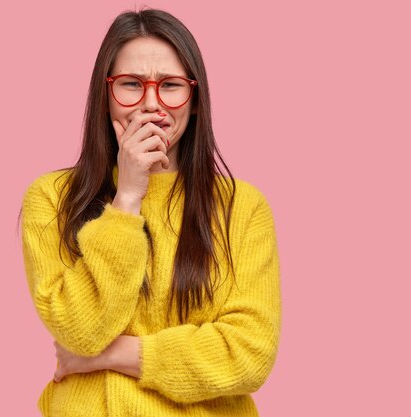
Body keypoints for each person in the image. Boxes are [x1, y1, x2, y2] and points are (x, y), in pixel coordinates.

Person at [19, 7, 281, 417]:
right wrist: (126, 200)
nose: (151, 104)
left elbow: (248, 354)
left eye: (171, 86)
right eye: (130, 84)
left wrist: (114, 356)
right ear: (105, 96)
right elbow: (80, 331)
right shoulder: (52, 198)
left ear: (194, 100)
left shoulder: (241, 208)